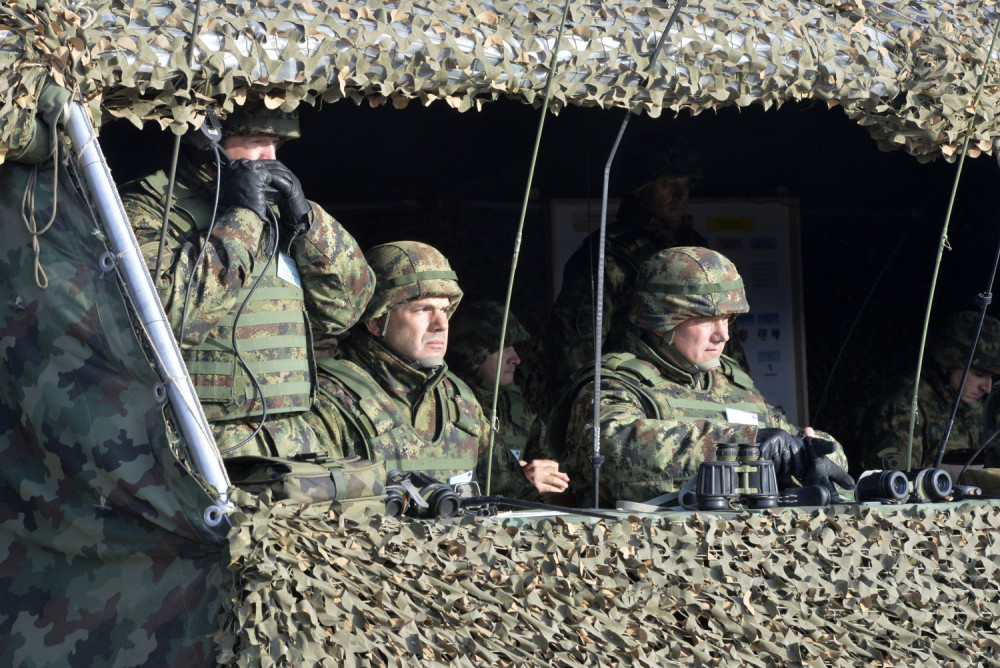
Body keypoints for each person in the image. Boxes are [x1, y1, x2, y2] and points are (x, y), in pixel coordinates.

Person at [120, 99, 374, 457]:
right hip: (202, 445)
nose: (271, 158)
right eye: (257, 142)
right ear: (207, 142)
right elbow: (172, 316)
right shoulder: (147, 210)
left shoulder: (279, 212)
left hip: (295, 443)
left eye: (276, 144)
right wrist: (243, 216)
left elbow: (345, 310)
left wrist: (306, 222)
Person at [558, 246, 854, 507]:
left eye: (726, 319)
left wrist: (810, 454)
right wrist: (747, 443)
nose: (723, 335)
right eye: (707, 320)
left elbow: (794, 440)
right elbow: (614, 451)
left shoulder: (731, 383)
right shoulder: (614, 387)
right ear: (661, 322)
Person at [307, 242, 540, 501]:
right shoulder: (328, 400)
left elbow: (519, 500)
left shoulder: (460, 401)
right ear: (376, 320)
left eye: (444, 310)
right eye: (422, 309)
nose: (441, 324)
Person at [545, 131, 746, 404]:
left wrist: (741, 395)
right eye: (667, 184)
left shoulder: (695, 248)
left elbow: (728, 342)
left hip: (702, 396)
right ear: (639, 190)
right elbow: (576, 353)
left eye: (686, 184)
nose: (681, 194)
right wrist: (590, 407)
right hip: (634, 398)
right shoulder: (607, 255)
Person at [447, 301, 570, 496]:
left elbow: (553, 462)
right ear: (473, 351)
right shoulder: (445, 408)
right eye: (503, 348)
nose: (516, 359)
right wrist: (518, 480)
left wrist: (550, 475)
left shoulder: (515, 408)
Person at [862, 310, 1000, 471]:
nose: (987, 388)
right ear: (948, 362)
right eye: (979, 374)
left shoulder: (976, 409)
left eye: (993, 377)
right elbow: (896, 480)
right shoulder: (905, 407)